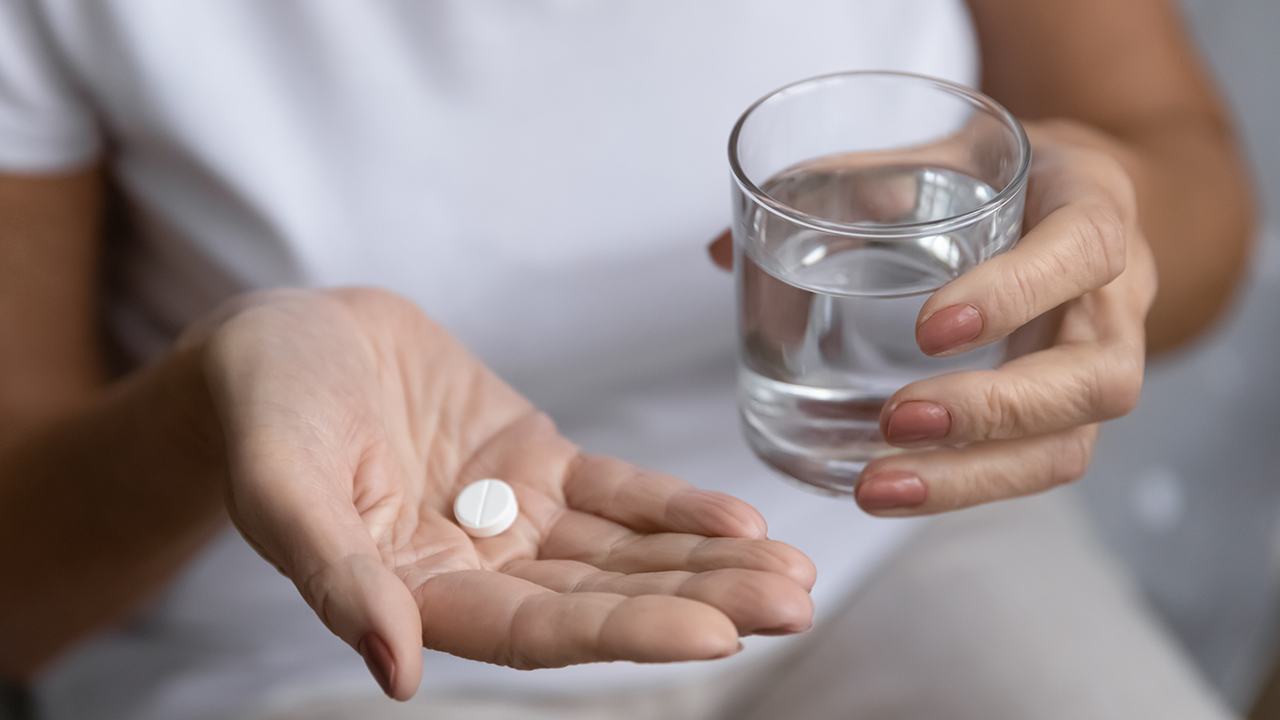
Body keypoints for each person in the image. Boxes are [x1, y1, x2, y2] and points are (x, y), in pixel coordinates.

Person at [0, 0, 1255, 718]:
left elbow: (1187, 174)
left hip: (879, 533)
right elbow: (19, 588)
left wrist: (1114, 218)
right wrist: (214, 400)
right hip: (345, 629)